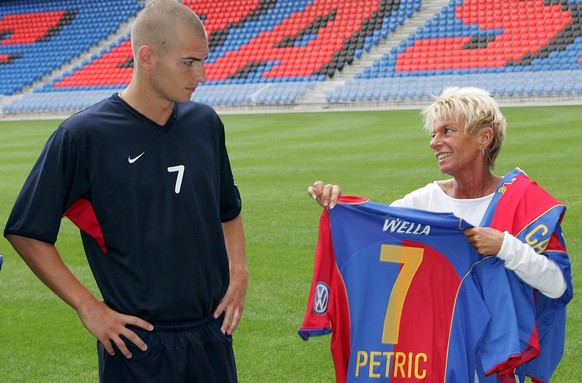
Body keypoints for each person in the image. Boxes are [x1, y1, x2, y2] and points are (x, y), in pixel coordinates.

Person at [4, 1, 248, 382]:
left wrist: (240, 270)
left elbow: (227, 208)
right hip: (137, 348)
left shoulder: (205, 123)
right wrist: (87, 306)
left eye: (202, 60)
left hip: (211, 337)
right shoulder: (84, 136)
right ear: (147, 56)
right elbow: (26, 231)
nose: (201, 74)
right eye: (188, 62)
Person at [306, 86, 573, 382]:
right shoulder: (422, 201)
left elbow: (558, 286)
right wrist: (338, 206)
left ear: (484, 137)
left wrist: (504, 246)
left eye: (447, 131)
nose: (435, 142)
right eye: (433, 134)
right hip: (435, 360)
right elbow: (374, 234)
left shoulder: (523, 200)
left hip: (492, 370)